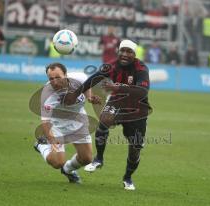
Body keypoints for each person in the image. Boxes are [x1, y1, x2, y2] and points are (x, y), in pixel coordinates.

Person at [64, 40, 152, 190]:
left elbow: (142, 91)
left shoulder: (141, 68)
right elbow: (94, 78)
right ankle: (99, 159)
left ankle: (128, 178)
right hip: (117, 102)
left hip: (137, 109)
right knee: (104, 120)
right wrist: (75, 94)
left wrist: (116, 87)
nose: (125, 54)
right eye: (122, 50)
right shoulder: (111, 65)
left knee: (135, 148)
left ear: (134, 54)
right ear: (118, 51)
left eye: (129, 51)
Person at [33, 62, 100, 183]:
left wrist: (90, 97)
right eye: (51, 79)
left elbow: (87, 87)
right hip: (57, 124)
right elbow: (45, 122)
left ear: (66, 75)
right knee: (57, 162)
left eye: (58, 77)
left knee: (86, 158)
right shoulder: (47, 94)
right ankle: (41, 146)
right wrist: (52, 140)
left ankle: (67, 170)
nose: (55, 81)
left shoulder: (80, 78)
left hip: (78, 119)